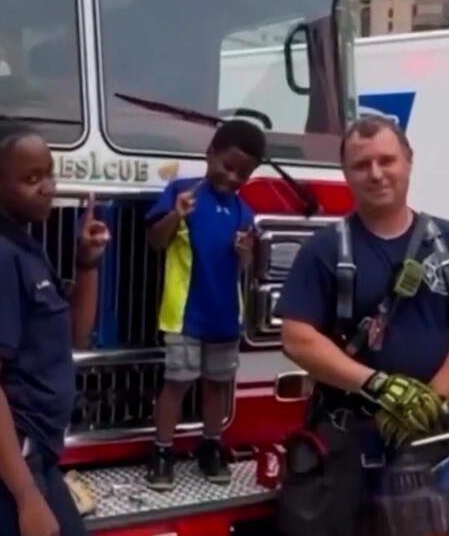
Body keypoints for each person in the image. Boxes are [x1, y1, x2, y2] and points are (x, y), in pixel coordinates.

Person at [274, 115, 449, 536]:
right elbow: (297, 338)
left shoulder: (445, 242)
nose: (376, 173)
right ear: (346, 174)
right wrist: (377, 385)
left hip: (433, 444)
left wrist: (429, 401)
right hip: (348, 443)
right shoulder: (325, 249)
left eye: (387, 160)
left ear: (408, 161)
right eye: (361, 164)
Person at [0, 121, 109, 536]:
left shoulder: (24, 248)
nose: (48, 187)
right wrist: (27, 499)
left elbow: (76, 335)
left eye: (49, 173)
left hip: (36, 456)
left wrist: (87, 263)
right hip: (3, 465)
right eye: (31, 178)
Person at [143, 119, 265, 491]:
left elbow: (245, 264)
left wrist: (246, 253)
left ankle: (211, 446)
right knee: (176, 384)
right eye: (227, 166)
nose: (232, 177)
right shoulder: (182, 191)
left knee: (217, 386)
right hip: (184, 315)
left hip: (226, 315)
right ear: (209, 153)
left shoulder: (245, 210)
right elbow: (155, 241)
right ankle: (161, 452)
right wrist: (177, 214)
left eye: (243, 173)